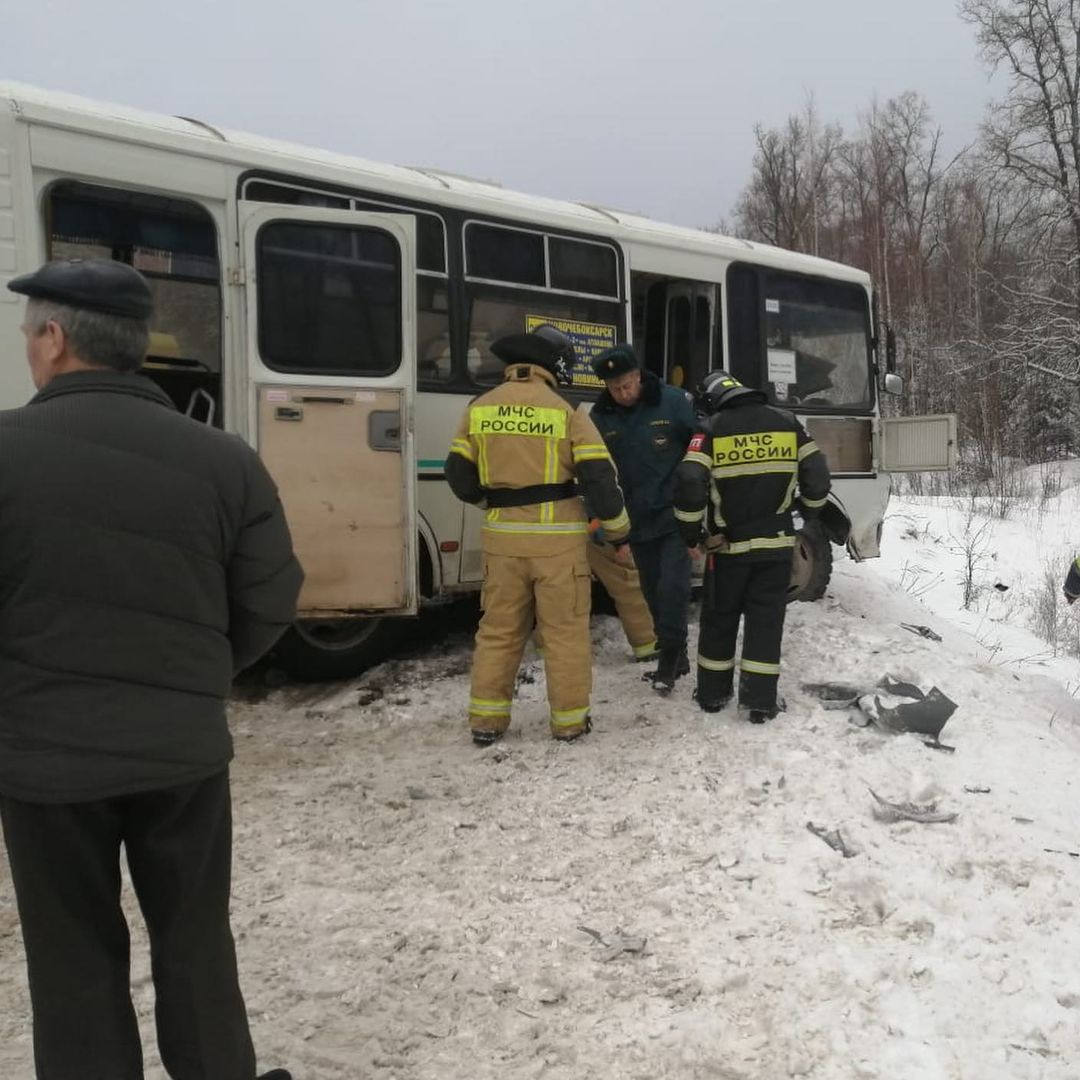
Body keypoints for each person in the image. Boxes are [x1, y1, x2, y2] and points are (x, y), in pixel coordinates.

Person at [0, 258, 302, 1080]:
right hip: (183, 755)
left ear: (55, 340)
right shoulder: (224, 458)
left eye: (30, 333)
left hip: (43, 765)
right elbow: (273, 595)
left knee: (71, 957)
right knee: (196, 938)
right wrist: (198, 673)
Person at [445, 324, 630, 743]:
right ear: (553, 366)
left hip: (502, 544)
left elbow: (457, 475)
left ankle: (486, 722)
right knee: (564, 633)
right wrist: (619, 534)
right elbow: (600, 479)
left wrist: (492, 504)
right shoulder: (567, 411)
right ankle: (569, 723)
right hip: (558, 546)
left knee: (498, 630)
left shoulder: (480, 406)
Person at [674, 369, 830, 723]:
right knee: (766, 622)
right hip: (776, 547)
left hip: (727, 550)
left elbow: (689, 481)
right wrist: (810, 511)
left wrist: (690, 533)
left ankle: (713, 696)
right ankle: (759, 703)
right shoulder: (788, 423)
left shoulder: (710, 430)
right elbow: (818, 475)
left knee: (719, 620)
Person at [590, 343, 697, 693]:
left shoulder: (672, 402)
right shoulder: (601, 416)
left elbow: (700, 448)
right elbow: (596, 471)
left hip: (673, 515)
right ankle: (677, 655)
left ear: (638, 376)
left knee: (673, 587)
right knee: (651, 592)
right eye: (614, 388)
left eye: (626, 385)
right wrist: (600, 520)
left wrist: (700, 503)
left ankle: (668, 658)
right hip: (635, 519)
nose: (621, 394)